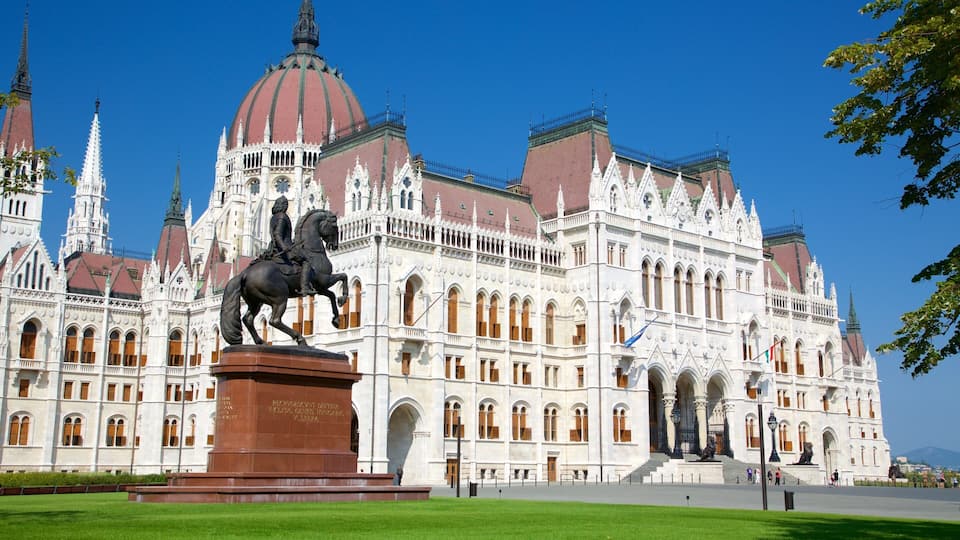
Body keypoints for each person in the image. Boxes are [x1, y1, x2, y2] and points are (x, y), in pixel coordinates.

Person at [260, 196, 316, 295]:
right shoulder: (282, 216)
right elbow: (278, 234)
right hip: (284, 248)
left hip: (273, 248)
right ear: (283, 206)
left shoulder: (273, 217)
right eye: (285, 204)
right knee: (306, 260)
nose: (286, 206)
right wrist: (284, 246)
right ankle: (304, 287)